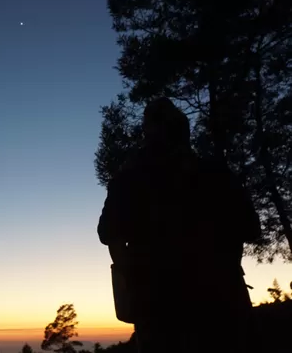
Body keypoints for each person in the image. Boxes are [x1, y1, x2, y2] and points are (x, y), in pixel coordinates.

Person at [97, 97, 261, 353]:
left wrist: (135, 284)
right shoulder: (217, 173)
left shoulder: (128, 179)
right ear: (184, 133)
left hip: (160, 312)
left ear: (147, 132)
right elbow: (250, 228)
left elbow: (111, 237)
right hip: (224, 305)